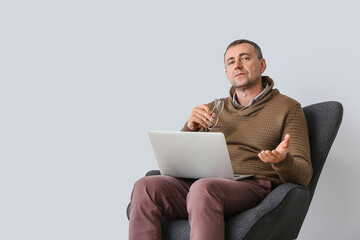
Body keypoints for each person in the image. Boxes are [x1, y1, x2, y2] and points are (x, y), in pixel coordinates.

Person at [128, 39, 312, 240]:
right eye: (231, 62)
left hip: (252, 185)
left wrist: (282, 161)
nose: (238, 65)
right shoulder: (214, 108)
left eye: (245, 58)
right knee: (145, 187)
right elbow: (178, 158)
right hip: (205, 183)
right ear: (227, 73)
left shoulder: (288, 108)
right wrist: (190, 128)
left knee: (203, 188)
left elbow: (304, 175)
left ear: (262, 65)